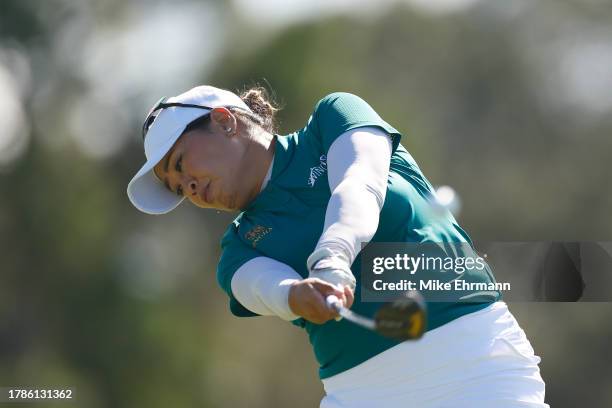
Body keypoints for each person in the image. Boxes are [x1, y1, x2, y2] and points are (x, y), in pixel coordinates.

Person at [127, 85, 548, 407]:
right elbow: (264, 289)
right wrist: (297, 295)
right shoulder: (238, 249)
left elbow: (359, 185)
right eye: (177, 188)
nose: (189, 187)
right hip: (364, 393)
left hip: (479, 362)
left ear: (223, 120)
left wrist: (333, 258)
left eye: (180, 164)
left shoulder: (333, 118)